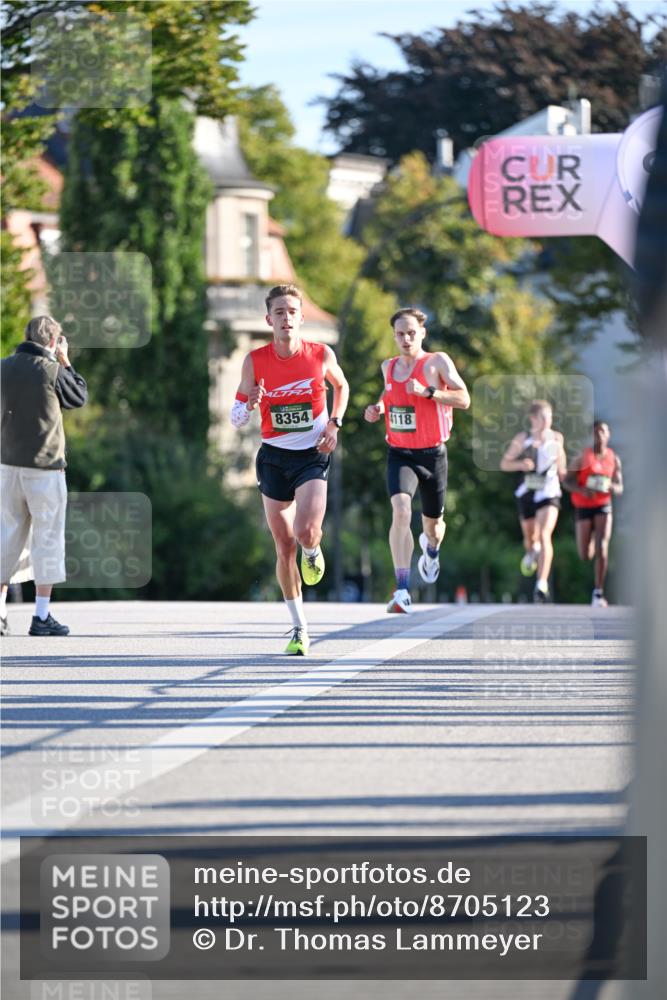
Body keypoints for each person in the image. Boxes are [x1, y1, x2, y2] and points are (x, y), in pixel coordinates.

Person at [231, 284, 349, 655]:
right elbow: (235, 417)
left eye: (292, 311)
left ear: (301, 317)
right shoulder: (255, 360)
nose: (286, 318)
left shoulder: (320, 354)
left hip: (312, 455)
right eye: (279, 312)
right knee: (283, 547)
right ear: (269, 319)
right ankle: (299, 628)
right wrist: (249, 403)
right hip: (273, 458)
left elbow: (341, 387)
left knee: (306, 532)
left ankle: (312, 550)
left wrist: (334, 424)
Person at [364, 308, 470, 613]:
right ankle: (402, 590)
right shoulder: (388, 367)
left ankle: (431, 550)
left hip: (433, 455)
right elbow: (388, 399)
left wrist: (429, 392)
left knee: (433, 527)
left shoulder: (437, 362)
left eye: (412, 333)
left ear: (422, 333)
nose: (406, 338)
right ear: (394, 336)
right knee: (400, 511)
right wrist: (378, 410)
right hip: (400, 454)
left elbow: (464, 399)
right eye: (400, 334)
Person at [1, 316, 88, 636]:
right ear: (52, 342)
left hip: (7, 466)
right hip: (45, 469)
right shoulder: (51, 370)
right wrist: (65, 360)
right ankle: (41, 616)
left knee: (6, 538)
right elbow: (78, 397)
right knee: (47, 540)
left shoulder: (3, 367)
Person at [500, 400, 566, 603]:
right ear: (533, 419)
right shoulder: (523, 438)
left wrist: (558, 455)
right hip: (527, 491)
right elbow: (504, 464)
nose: (548, 422)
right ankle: (531, 550)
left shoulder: (556, 437)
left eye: (550, 418)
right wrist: (521, 463)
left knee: (545, 535)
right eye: (544, 418)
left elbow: (562, 470)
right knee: (531, 539)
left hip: (549, 491)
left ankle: (541, 583)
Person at [563, 420, 623, 607]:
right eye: (596, 432)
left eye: (603, 431)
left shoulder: (614, 458)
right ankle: (589, 545)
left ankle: (598, 592)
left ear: (609, 434)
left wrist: (612, 487)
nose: (599, 435)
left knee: (602, 548)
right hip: (583, 505)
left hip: (603, 505)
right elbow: (566, 481)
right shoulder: (582, 457)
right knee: (585, 554)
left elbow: (620, 486)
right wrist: (581, 490)